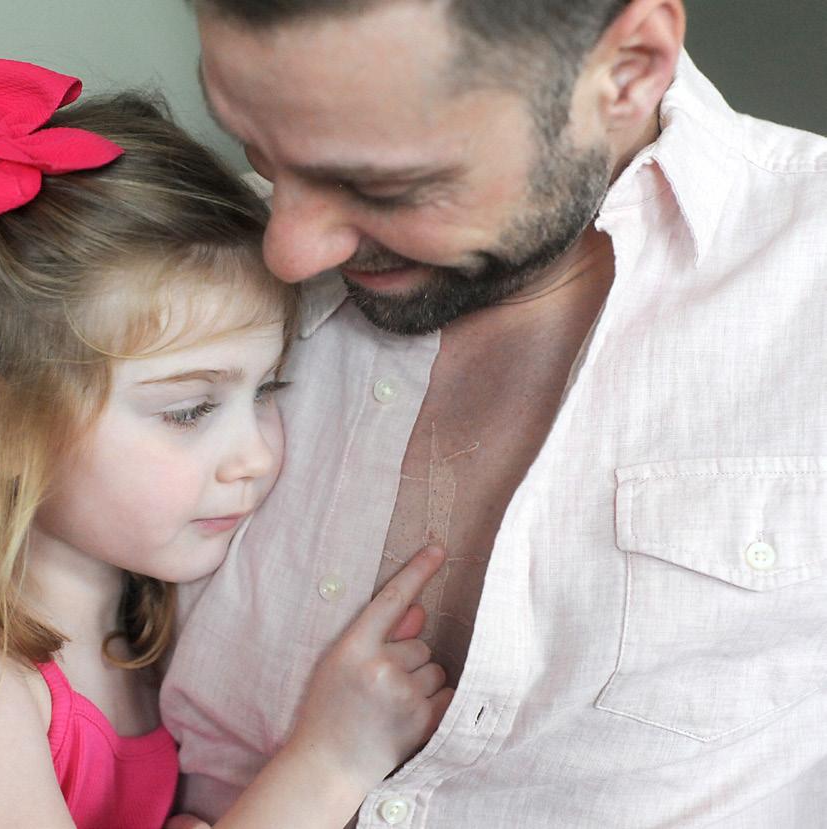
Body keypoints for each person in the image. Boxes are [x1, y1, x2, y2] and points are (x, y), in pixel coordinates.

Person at [0, 56, 454, 828]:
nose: (255, 456)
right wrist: (330, 762)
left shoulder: (140, 628)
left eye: (265, 391)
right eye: (189, 409)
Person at [162, 0, 827, 825]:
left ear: (627, 71)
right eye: (255, 150)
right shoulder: (160, 267)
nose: (287, 252)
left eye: (383, 187)